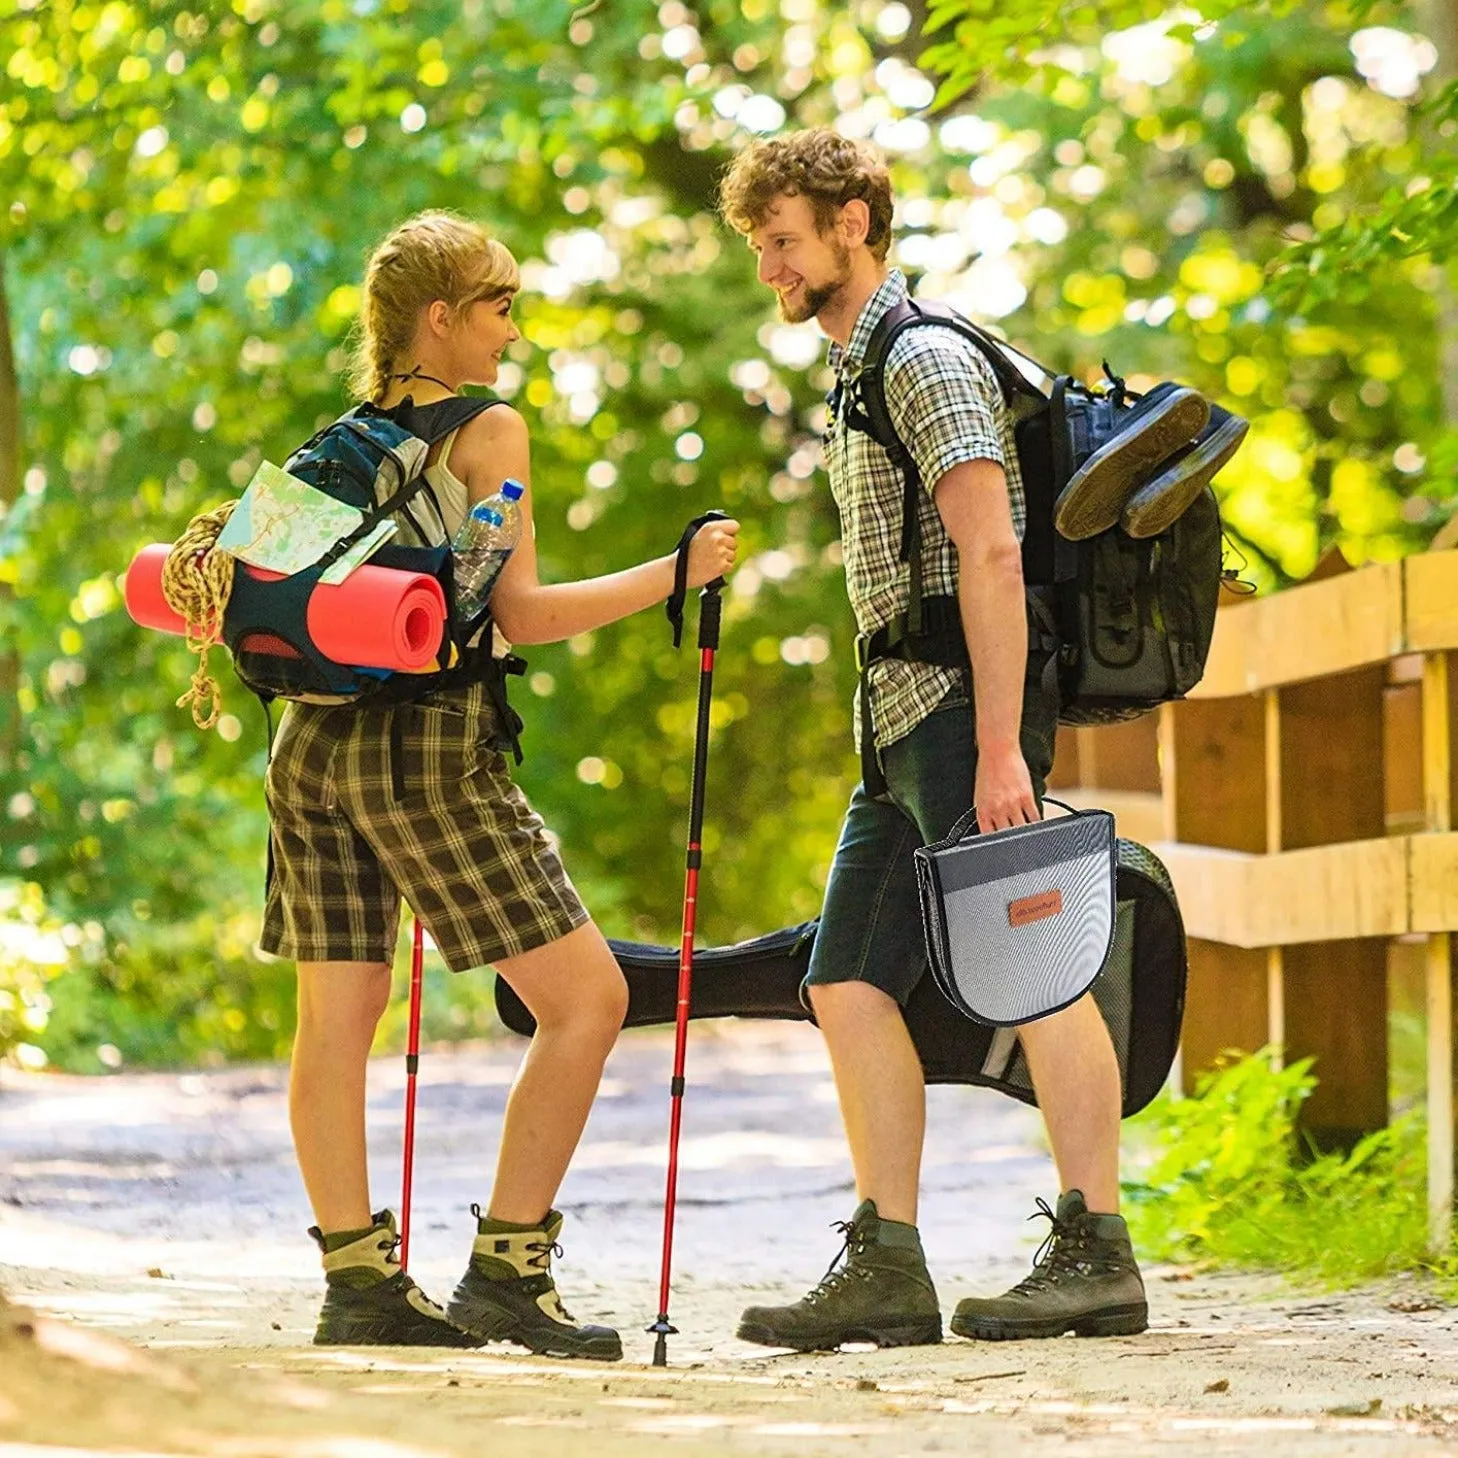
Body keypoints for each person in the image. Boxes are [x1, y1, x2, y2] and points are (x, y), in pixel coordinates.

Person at [259, 210, 739, 1356]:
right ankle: (509, 1273)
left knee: (335, 1020)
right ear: (440, 318)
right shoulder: (489, 430)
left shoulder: (344, 435)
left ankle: (359, 1286)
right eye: (498, 305)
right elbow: (516, 613)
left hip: (304, 750)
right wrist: (675, 573)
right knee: (589, 1000)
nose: (512, 332)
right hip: (424, 751)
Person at [717, 132, 1147, 1348]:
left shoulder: (925, 358)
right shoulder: (857, 368)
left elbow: (994, 551)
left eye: (784, 241)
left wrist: (1006, 750)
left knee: (1037, 973)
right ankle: (889, 1263)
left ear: (854, 222)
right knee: (845, 981)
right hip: (898, 733)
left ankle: (1098, 1246)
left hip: (964, 720)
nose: (772, 270)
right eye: (760, 249)